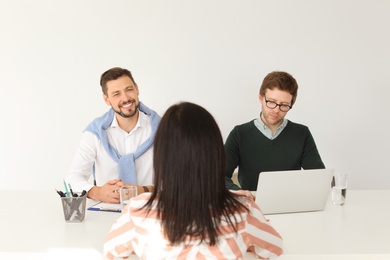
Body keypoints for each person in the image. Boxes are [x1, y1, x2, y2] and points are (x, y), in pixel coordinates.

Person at [104, 102, 284, 259]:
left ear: (162, 156)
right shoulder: (243, 210)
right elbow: (274, 248)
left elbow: (110, 251)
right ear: (215, 153)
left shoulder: (137, 211)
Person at [65, 67, 160, 203]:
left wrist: (143, 191)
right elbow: (73, 177)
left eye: (129, 89)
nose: (126, 98)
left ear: (137, 89)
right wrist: (97, 192)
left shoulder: (162, 130)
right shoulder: (94, 133)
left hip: (151, 210)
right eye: (116, 94)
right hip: (105, 213)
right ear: (106, 99)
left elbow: (179, 182)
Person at [225, 71, 325, 191]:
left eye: (284, 105)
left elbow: (318, 178)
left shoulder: (302, 134)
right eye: (271, 102)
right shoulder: (239, 134)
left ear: (291, 104)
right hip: (252, 204)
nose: (276, 110)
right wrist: (239, 193)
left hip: (292, 203)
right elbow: (218, 177)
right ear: (261, 98)